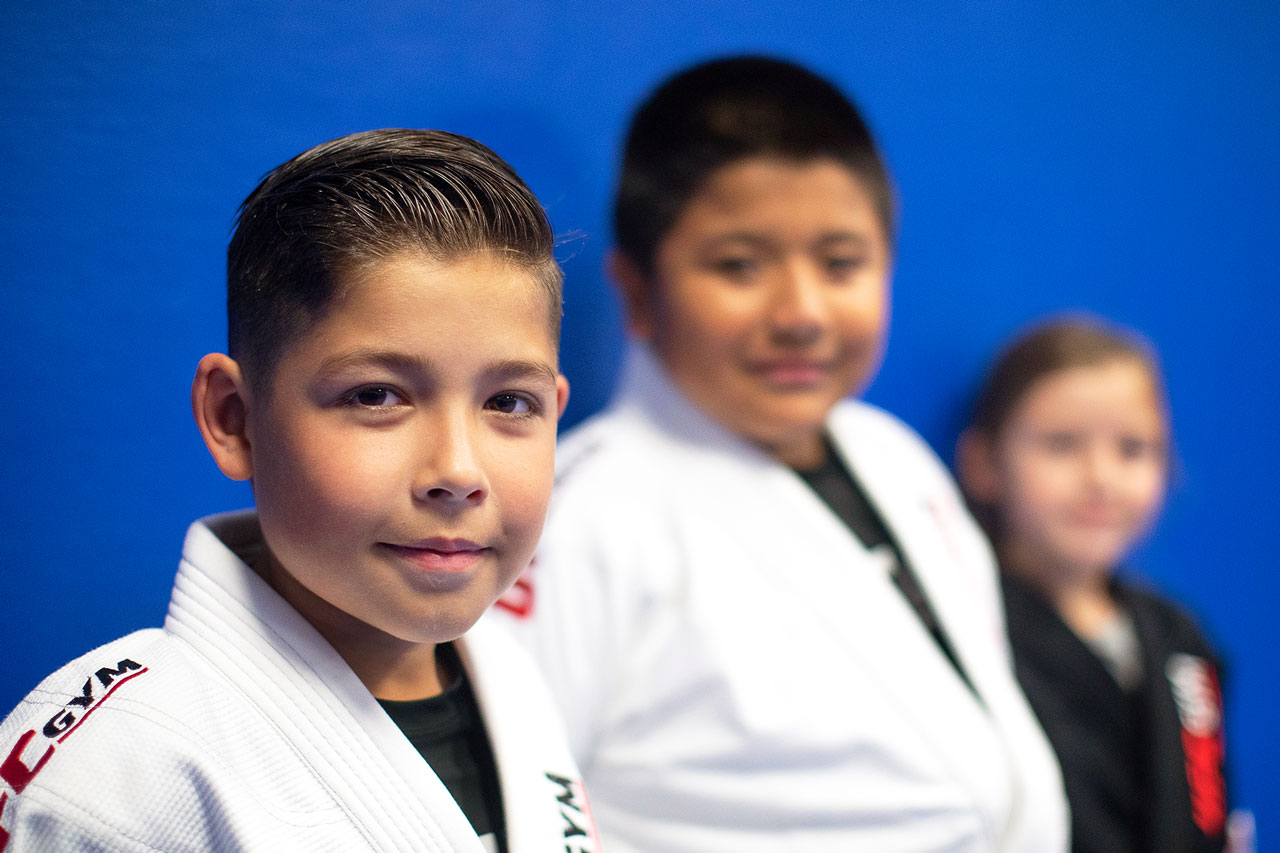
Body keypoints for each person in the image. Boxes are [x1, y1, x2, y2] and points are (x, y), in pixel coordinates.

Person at [488, 56, 1067, 851]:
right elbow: (508, 804)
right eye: (739, 265)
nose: (801, 313)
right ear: (635, 292)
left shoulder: (897, 460)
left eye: (841, 263)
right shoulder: (576, 517)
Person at [0, 129, 599, 852]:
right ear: (235, 418)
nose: (459, 470)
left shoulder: (514, 675)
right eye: (377, 394)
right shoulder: (113, 776)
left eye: (508, 403)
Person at [956, 316, 1233, 853]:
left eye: (1132, 449)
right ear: (984, 462)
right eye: (1062, 445)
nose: (1100, 478)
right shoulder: (970, 626)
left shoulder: (1178, 637)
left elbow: (1208, 813)